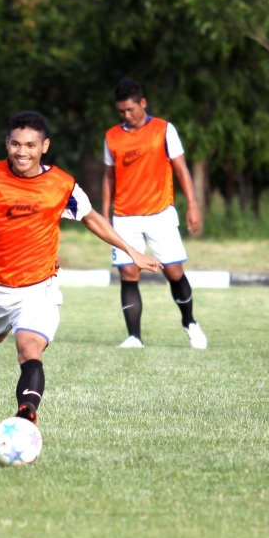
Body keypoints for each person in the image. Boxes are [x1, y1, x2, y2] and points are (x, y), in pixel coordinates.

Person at [0, 111, 161, 424]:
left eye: (31, 145)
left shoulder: (61, 185)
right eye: (16, 144)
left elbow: (91, 218)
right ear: (7, 143)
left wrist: (131, 251)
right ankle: (3, 332)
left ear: (44, 146)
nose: (23, 152)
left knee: (29, 348)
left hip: (39, 287)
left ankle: (26, 414)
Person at [102, 77, 208, 349]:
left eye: (131, 110)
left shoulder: (164, 129)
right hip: (124, 217)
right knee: (128, 274)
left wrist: (193, 206)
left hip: (160, 213)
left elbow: (181, 169)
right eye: (121, 111)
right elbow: (109, 177)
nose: (127, 115)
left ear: (143, 103)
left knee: (173, 272)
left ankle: (190, 323)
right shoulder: (112, 136)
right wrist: (104, 215)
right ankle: (134, 337)